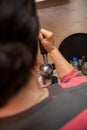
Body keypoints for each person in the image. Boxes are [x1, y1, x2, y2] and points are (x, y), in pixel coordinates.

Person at [0, 0, 87, 130]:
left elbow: (73, 79)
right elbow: (77, 81)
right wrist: (52, 50)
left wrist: (51, 49)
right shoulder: (82, 102)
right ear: (34, 58)